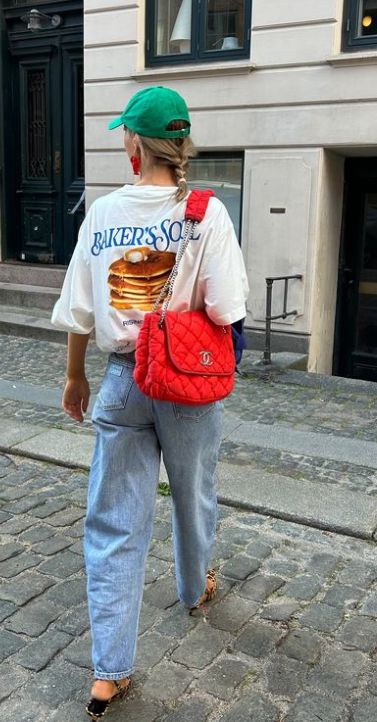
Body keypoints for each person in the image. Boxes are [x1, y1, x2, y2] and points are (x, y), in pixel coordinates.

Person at [51, 85, 249, 720]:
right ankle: (195, 590)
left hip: (122, 377)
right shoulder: (206, 211)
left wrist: (74, 377)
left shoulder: (104, 212)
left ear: (136, 144)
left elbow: (80, 307)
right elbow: (227, 309)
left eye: (125, 136)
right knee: (194, 495)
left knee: (113, 523)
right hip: (188, 381)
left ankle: (110, 673)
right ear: (181, 145)